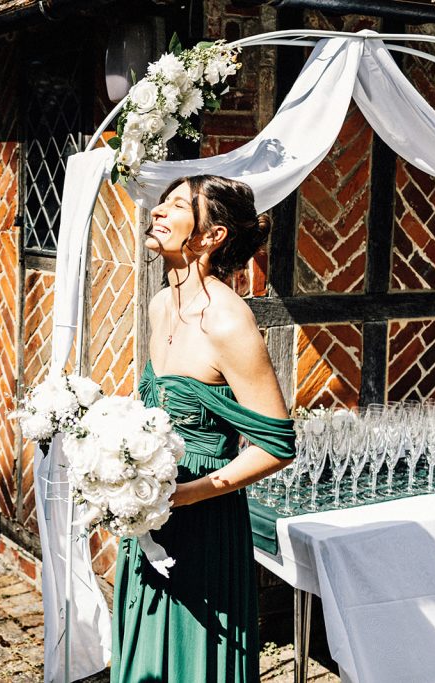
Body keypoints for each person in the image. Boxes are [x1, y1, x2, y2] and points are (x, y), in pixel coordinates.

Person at [111, 175, 295, 682]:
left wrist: (188, 495)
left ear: (211, 237)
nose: (157, 212)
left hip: (203, 513)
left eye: (175, 205)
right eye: (161, 203)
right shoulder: (158, 305)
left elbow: (278, 445)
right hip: (149, 511)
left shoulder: (229, 321)